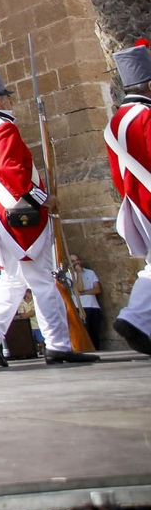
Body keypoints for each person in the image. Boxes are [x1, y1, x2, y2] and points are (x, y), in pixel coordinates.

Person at [0, 55, 95, 367]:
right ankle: (58, 344)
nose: (9, 102)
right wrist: (44, 198)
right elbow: (13, 170)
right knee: (43, 279)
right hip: (19, 213)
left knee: (13, 278)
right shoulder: (2, 128)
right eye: (7, 97)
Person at [105, 38, 151, 356]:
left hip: (135, 201)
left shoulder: (117, 119)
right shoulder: (145, 117)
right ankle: (135, 317)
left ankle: (136, 318)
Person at [63, 254, 102, 349]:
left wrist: (83, 293)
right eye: (73, 261)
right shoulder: (68, 275)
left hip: (93, 306)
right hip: (79, 307)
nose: (76, 262)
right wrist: (79, 274)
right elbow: (79, 288)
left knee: (94, 332)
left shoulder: (90, 273)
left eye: (77, 260)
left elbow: (97, 289)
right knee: (85, 331)